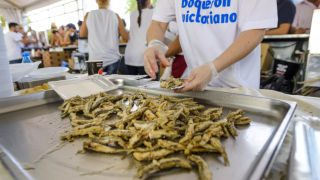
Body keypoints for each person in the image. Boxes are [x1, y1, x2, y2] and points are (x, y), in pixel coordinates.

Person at [143, 0, 278, 92]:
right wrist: (155, 43)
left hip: (239, 90)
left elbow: (254, 32)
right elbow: (159, 24)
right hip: (196, 85)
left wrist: (212, 68)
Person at [80, 0, 129, 75]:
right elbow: (125, 36)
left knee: (96, 85)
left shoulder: (89, 15)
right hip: (113, 59)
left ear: (96, 1)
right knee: (111, 85)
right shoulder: (115, 15)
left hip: (95, 59)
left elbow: (82, 35)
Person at [125, 0, 153, 75]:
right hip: (145, 55)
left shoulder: (132, 13)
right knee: (147, 85)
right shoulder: (152, 13)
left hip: (130, 55)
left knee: (132, 85)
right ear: (148, 1)